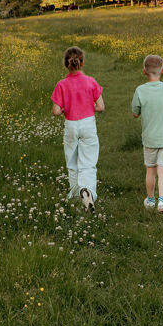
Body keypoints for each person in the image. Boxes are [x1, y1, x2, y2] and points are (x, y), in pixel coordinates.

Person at [51, 46, 104, 212]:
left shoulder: (61, 84)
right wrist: (88, 106)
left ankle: (75, 195)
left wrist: (66, 108)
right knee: (88, 163)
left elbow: (56, 111)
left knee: (72, 162)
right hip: (88, 124)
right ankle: (88, 191)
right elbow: (101, 106)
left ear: (66, 64)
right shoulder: (90, 81)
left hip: (71, 125)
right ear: (82, 63)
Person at [131, 54, 163, 214]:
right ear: (162, 71)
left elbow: (135, 113)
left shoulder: (140, 90)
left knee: (150, 170)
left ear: (144, 71)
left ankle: (150, 200)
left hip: (150, 138)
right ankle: (162, 202)